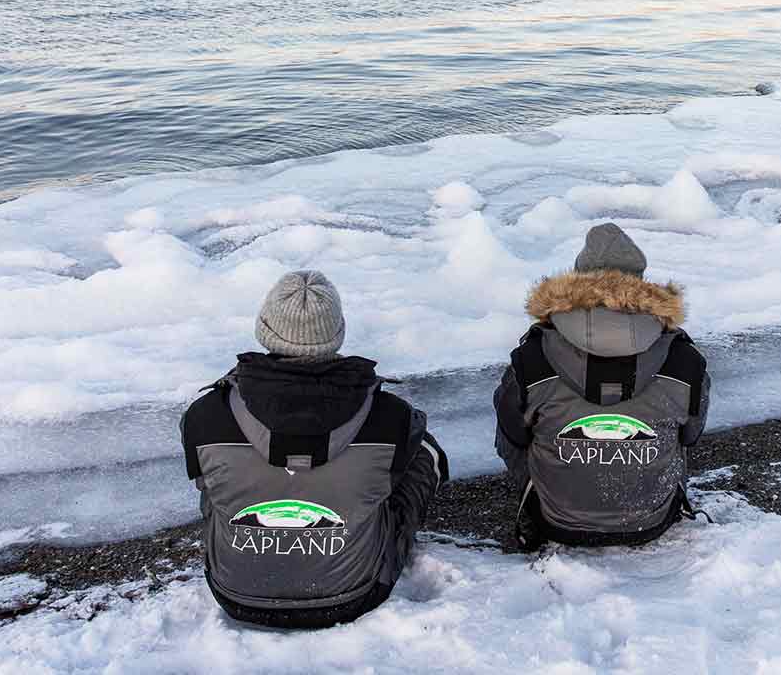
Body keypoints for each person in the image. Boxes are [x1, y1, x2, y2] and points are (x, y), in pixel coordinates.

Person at [180, 270, 447, 628]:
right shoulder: (391, 415)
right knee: (421, 451)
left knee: (216, 476)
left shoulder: (205, 414)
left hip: (236, 594)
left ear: (265, 328)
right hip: (355, 593)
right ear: (335, 334)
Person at [494, 223, 711, 549]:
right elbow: (691, 435)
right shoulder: (684, 358)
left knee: (514, 407)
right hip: (650, 521)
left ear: (577, 279)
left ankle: (551, 495)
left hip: (556, 521)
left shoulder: (532, 355)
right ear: (639, 282)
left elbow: (512, 435)